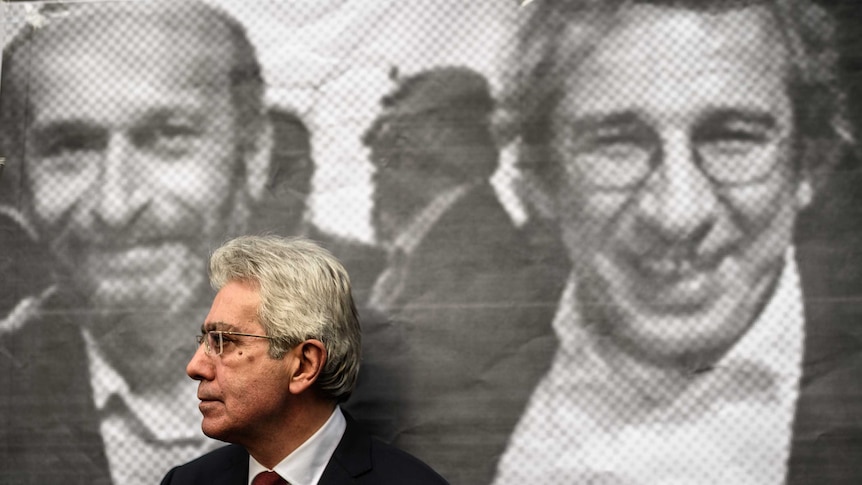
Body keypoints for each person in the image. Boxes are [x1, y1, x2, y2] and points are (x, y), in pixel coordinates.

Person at [492, 0, 862, 484]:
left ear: (809, 164)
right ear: (541, 181)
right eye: (616, 142)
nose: (676, 215)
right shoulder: (439, 417)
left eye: (732, 137)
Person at [0, 2, 274, 483]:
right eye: (70, 147)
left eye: (168, 136)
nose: (116, 206)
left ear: (252, 156)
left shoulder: (380, 380)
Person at [360, 66, 566, 484]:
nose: (369, 145)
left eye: (389, 129)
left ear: (438, 136)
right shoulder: (415, 257)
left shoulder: (488, 263)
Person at [160, 235, 447, 485]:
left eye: (224, 341)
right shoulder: (186, 481)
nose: (195, 367)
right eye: (206, 341)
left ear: (304, 366)